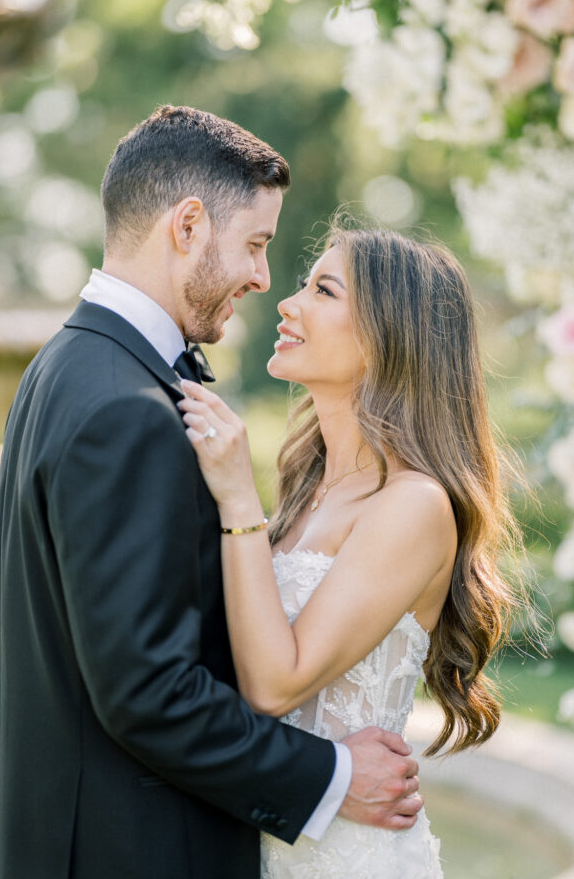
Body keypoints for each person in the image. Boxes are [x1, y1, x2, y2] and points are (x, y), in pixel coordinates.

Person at [0, 108, 424, 879]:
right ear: (187, 225)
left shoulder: (70, 364)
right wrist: (334, 777)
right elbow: (148, 691)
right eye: (255, 245)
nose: (263, 278)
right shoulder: (127, 406)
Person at [179, 225, 522, 878]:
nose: (287, 302)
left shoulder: (414, 505)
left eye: (323, 290)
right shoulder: (306, 492)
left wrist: (237, 501)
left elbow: (276, 682)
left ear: (384, 338)